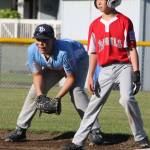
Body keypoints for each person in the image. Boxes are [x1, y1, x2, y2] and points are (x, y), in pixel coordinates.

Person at [62, 0, 150, 149]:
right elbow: (93, 52)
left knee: (127, 99)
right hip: (105, 70)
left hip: (124, 67)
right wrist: (91, 75)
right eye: (97, 0)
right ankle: (78, 142)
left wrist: (136, 72)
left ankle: (141, 138)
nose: (99, 2)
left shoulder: (124, 21)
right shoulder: (95, 25)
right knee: (93, 104)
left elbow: (132, 49)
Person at [5, 24, 103, 144]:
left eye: (45, 40)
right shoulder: (32, 50)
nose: (41, 43)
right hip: (55, 65)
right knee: (35, 91)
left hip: (78, 60)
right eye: (38, 39)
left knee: (76, 92)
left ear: (53, 40)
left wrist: (57, 98)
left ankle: (95, 130)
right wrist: (41, 95)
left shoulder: (63, 52)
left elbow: (70, 78)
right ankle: (20, 130)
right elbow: (37, 75)